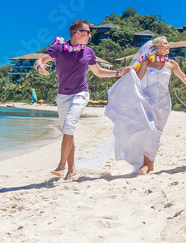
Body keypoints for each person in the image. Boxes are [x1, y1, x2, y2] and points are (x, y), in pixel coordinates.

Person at [34, 20, 130, 180]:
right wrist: (39, 67)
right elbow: (40, 60)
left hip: (80, 94)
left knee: (69, 126)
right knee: (68, 132)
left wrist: (118, 73)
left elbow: (98, 72)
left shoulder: (88, 52)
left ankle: (61, 166)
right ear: (77, 33)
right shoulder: (58, 48)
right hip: (62, 97)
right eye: (87, 32)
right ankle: (72, 170)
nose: (90, 35)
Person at [105, 36, 186, 174]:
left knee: (156, 133)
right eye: (165, 44)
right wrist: (130, 72)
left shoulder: (172, 63)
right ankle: (145, 163)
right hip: (147, 101)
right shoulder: (145, 63)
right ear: (156, 47)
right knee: (149, 129)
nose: (168, 46)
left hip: (164, 104)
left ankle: (151, 162)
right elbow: (137, 80)